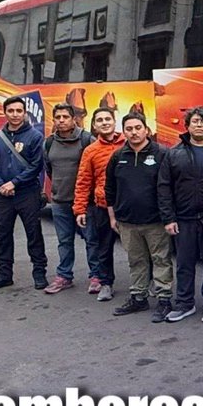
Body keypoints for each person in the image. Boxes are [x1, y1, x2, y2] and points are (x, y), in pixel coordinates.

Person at [158, 106, 203, 324]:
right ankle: (184, 303)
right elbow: (164, 186)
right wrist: (168, 218)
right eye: (195, 121)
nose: (199, 125)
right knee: (184, 263)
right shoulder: (174, 153)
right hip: (183, 218)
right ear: (187, 126)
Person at [105, 112, 173, 318]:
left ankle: (164, 300)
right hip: (127, 222)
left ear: (146, 129)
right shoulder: (117, 156)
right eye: (129, 129)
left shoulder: (162, 154)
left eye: (137, 128)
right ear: (124, 132)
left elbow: (170, 187)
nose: (134, 132)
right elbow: (110, 189)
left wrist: (169, 218)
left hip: (156, 221)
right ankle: (138, 298)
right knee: (136, 261)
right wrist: (112, 217)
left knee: (161, 260)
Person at [0, 96, 48, 291]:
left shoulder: (35, 136)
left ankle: (39, 273)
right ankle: (4, 275)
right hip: (3, 195)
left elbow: (36, 166)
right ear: (5, 113)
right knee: (3, 236)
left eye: (19, 111)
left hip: (27, 193)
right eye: (11, 111)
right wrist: (1, 184)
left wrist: (14, 183)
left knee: (34, 234)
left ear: (24, 113)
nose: (15, 114)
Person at [74, 108, 124, 302]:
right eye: (100, 120)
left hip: (129, 206)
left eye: (108, 119)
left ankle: (145, 283)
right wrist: (80, 209)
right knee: (104, 249)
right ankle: (106, 284)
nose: (104, 122)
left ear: (114, 121)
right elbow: (83, 181)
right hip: (102, 206)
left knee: (140, 249)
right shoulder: (91, 150)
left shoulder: (128, 143)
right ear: (94, 125)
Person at [43, 103, 93, 294]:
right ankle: (64, 276)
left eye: (65, 117)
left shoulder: (86, 139)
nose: (61, 120)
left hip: (85, 202)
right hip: (59, 202)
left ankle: (96, 276)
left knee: (91, 240)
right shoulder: (49, 143)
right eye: (58, 117)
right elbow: (49, 169)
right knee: (64, 242)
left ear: (74, 119)